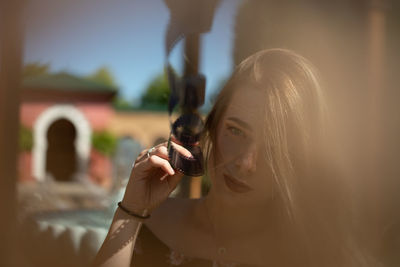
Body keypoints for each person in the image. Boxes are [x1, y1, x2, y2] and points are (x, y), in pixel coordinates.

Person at [93, 49, 373, 267]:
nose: (245, 163)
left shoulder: (311, 254)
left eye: (275, 148)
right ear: (212, 127)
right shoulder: (150, 222)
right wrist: (130, 211)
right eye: (236, 131)